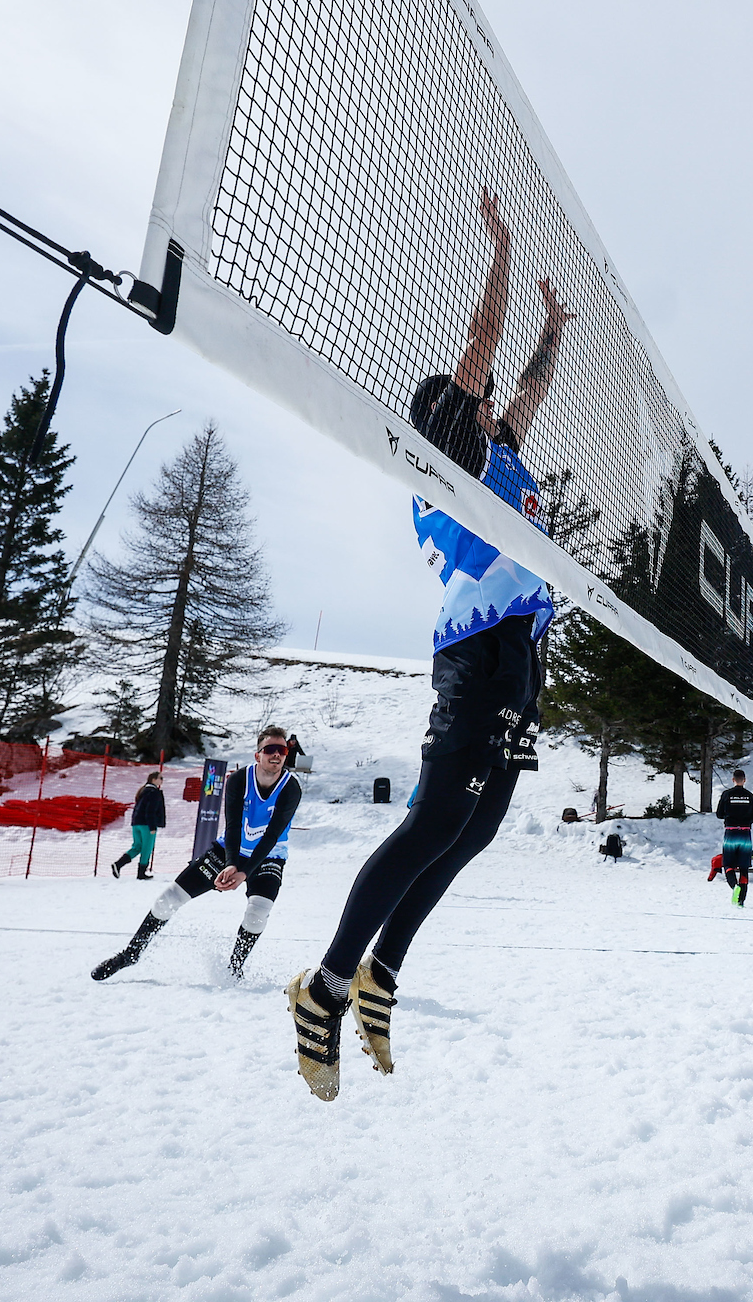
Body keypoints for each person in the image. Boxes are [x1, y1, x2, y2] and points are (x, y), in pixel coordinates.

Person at [289, 189, 576, 1101]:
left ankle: (382, 974)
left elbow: (525, 383)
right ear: (454, 410)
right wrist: (500, 253)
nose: (494, 405)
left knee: (477, 825)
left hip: (520, 660)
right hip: (477, 649)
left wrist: (555, 327)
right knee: (433, 819)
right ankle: (326, 983)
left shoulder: (506, 456)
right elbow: (483, 356)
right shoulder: (449, 450)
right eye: (478, 398)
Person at [95, 727, 305, 982]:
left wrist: (243, 872)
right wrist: (231, 864)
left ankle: (234, 969)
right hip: (229, 849)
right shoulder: (240, 779)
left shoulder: (291, 788)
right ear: (257, 755)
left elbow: (272, 836)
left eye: (282, 750)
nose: (276, 755)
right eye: (270, 750)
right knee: (168, 899)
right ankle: (131, 954)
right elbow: (234, 826)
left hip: (269, 856)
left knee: (258, 912)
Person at [112, 768, 167, 880]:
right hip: (147, 824)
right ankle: (141, 873)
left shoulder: (143, 791)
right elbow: (150, 810)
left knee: (137, 847)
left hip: (136, 823)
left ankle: (118, 864)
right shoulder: (154, 792)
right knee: (147, 848)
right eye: (160, 778)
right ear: (153, 779)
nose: (162, 780)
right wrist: (152, 826)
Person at [715, 769, 753, 906]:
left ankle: (735, 886)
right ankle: (741, 900)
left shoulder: (727, 794)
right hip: (745, 833)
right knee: (744, 867)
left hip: (731, 832)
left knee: (727, 864)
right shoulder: (750, 796)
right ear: (744, 780)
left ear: (733, 780)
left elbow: (719, 814)